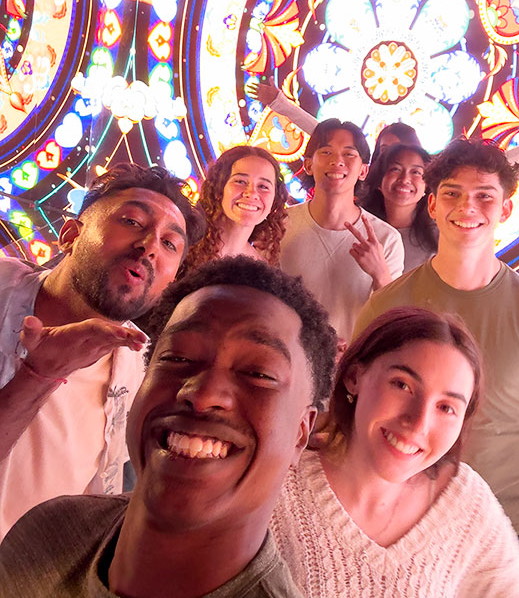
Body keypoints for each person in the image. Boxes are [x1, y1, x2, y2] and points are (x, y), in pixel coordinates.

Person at [0, 256, 337, 598]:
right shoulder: (47, 534)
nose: (202, 395)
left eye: (258, 373)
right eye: (177, 358)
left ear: (301, 433)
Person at [354, 140, 519, 596]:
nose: (467, 207)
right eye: (452, 193)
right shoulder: (387, 307)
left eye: (484, 195)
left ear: (505, 209)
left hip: (513, 526)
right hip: (409, 516)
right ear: (432, 204)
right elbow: (356, 418)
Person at [271, 306, 519, 597]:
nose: (419, 423)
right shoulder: (278, 486)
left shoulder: (464, 501)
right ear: (354, 376)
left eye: (446, 408)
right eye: (402, 385)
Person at [0, 163, 205, 540]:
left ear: (170, 281)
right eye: (132, 221)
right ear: (70, 234)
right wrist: (38, 375)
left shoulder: (137, 365)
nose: (149, 247)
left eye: (169, 244)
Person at [249, 78, 519, 165]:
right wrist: (280, 103)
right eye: (386, 150)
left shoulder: (433, 183)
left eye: (401, 151)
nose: (393, 160)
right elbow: (326, 135)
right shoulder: (361, 183)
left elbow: (500, 161)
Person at [279, 118, 404, 345]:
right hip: (288, 356)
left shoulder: (386, 239)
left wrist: (380, 274)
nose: (337, 161)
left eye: (349, 154)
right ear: (308, 165)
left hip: (355, 360)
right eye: (326, 152)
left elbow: (393, 323)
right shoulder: (280, 225)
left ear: (363, 170)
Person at [184, 145, 287, 269]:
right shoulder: (182, 239)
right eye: (240, 181)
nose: (251, 193)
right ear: (219, 187)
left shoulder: (262, 272)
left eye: (263, 186)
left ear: (274, 200)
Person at [361, 142, 437, 271]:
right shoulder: (359, 227)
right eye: (395, 169)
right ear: (379, 179)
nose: (405, 179)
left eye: (416, 172)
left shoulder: (440, 237)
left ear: (426, 186)